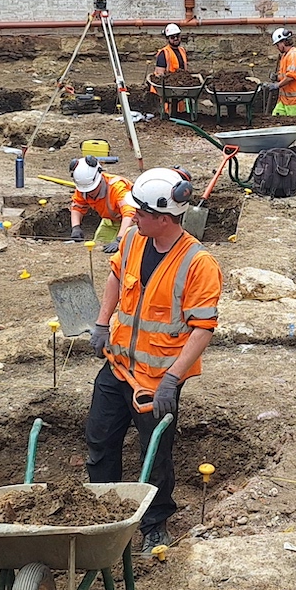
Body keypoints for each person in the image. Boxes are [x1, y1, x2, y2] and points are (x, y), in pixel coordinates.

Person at [87, 167, 221, 553]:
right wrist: (101, 323)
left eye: (141, 212)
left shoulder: (198, 264)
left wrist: (172, 381)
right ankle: (103, 517)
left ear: (164, 217)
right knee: (99, 442)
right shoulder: (132, 239)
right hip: (118, 366)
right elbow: (116, 277)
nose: (132, 217)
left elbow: (202, 329)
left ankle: (154, 524)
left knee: (154, 456)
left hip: (156, 380)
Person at [69, 157, 133, 247]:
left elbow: (130, 214)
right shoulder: (83, 188)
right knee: (98, 247)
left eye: (92, 189)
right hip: (110, 220)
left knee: (127, 249)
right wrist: (76, 227)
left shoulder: (117, 188)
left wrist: (120, 239)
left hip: (135, 222)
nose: (88, 193)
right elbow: (78, 206)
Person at [269, 27, 296, 117]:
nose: (277, 47)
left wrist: (277, 85)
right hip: (284, 99)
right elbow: (285, 75)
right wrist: (277, 77)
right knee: (275, 118)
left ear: (283, 42)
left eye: (277, 45)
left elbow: (291, 77)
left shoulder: (293, 55)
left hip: (295, 100)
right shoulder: (285, 55)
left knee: (293, 124)